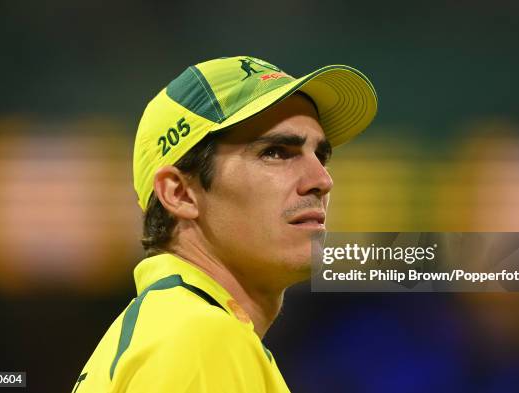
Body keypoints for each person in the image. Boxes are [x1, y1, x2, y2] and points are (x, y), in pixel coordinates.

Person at [72, 56, 377, 393]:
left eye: (320, 156)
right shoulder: (200, 338)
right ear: (180, 193)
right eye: (276, 152)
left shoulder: (171, 329)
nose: (322, 180)